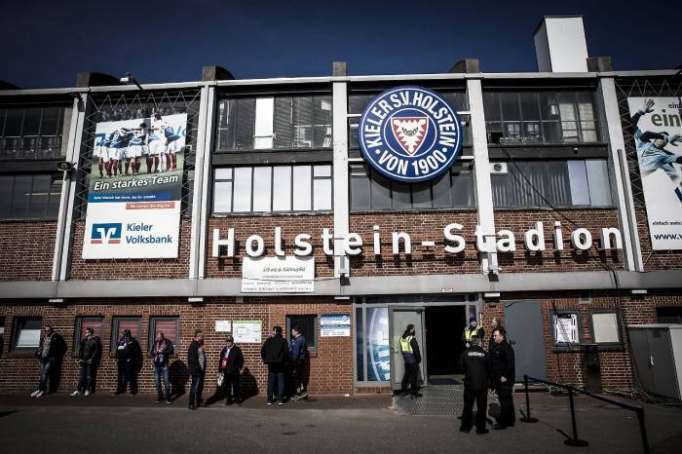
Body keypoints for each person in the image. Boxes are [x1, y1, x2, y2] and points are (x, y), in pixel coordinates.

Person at [632, 98, 682, 202]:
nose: (663, 140)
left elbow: (678, 159)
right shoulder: (644, 142)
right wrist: (640, 112)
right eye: (661, 138)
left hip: (647, 175)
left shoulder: (662, 154)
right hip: (635, 169)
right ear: (656, 139)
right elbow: (639, 129)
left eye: (665, 141)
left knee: (672, 172)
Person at [458, 335, 489, 434]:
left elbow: (460, 367)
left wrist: (467, 372)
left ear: (471, 342)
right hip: (482, 384)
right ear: (480, 343)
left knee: (467, 406)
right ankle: (480, 429)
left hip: (469, 384)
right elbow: (490, 368)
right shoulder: (485, 354)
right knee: (481, 407)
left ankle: (465, 427)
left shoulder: (465, 353)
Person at [489, 327, 516, 430]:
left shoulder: (506, 347)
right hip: (499, 379)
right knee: (506, 400)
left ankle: (503, 423)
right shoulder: (497, 346)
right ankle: (510, 420)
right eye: (493, 335)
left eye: (495, 335)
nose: (494, 337)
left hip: (505, 379)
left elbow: (510, 364)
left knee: (505, 401)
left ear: (502, 336)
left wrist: (505, 376)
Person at [31, 325, 65, 398]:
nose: (47, 332)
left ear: (51, 330)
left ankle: (42, 390)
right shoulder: (44, 338)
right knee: (42, 373)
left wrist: (56, 356)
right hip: (43, 358)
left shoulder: (57, 337)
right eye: (45, 330)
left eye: (48, 330)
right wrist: (38, 354)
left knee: (45, 373)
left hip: (51, 358)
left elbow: (64, 347)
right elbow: (41, 347)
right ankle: (39, 389)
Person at [260, 326, 288, 406]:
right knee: (281, 382)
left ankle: (269, 399)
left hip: (271, 365)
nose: (272, 332)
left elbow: (262, 351)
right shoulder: (283, 341)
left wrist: (266, 360)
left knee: (271, 382)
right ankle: (280, 400)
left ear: (276, 332)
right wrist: (284, 362)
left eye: (273, 331)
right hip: (281, 365)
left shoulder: (269, 340)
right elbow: (286, 353)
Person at [70, 327, 101, 397]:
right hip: (83, 360)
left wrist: (92, 359)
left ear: (90, 333)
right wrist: (80, 358)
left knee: (89, 376)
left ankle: (87, 390)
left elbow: (96, 351)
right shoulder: (84, 340)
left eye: (86, 332)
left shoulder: (95, 341)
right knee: (81, 376)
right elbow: (81, 350)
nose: (85, 333)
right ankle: (78, 390)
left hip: (90, 361)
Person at [218, 335, 244, 405]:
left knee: (236, 385)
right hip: (226, 371)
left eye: (229, 341)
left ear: (232, 342)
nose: (228, 343)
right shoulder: (224, 350)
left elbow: (241, 360)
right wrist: (220, 370)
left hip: (234, 371)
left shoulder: (237, 349)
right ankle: (229, 400)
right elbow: (221, 360)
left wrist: (239, 368)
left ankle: (237, 399)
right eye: (227, 341)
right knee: (227, 386)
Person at [115, 329, 141, 395]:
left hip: (128, 361)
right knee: (120, 376)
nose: (124, 336)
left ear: (129, 334)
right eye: (124, 334)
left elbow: (137, 352)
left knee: (130, 376)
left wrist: (131, 359)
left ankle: (132, 391)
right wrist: (117, 357)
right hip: (121, 361)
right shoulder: (121, 341)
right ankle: (119, 390)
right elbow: (117, 350)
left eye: (126, 334)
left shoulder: (133, 341)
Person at [151, 332, 174, 404]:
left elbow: (171, 350)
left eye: (159, 336)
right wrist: (155, 352)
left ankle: (168, 398)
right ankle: (160, 397)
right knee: (157, 383)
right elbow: (152, 352)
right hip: (156, 365)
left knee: (166, 382)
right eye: (157, 336)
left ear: (162, 336)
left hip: (164, 365)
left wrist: (162, 352)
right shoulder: (155, 343)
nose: (158, 337)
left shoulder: (167, 342)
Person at [399, 324, 422, 398]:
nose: (414, 330)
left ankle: (404, 391)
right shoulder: (411, 338)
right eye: (414, 329)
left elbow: (402, 350)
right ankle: (413, 393)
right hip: (413, 361)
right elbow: (416, 350)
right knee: (413, 377)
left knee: (406, 376)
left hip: (407, 361)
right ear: (411, 329)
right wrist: (418, 359)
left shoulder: (403, 338)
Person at [187, 330, 206, 410]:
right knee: (194, 387)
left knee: (199, 387)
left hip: (199, 370)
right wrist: (197, 369)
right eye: (201, 336)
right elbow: (192, 359)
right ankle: (191, 404)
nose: (202, 338)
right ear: (197, 336)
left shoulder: (198, 345)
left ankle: (198, 401)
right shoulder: (193, 345)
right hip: (196, 370)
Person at [288, 325, 308, 401]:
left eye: (293, 331)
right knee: (299, 377)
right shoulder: (303, 339)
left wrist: (292, 362)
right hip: (301, 361)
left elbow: (295, 353)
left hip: (297, 361)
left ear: (297, 332)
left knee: (297, 378)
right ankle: (302, 392)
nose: (292, 332)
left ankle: (298, 394)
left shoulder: (298, 340)